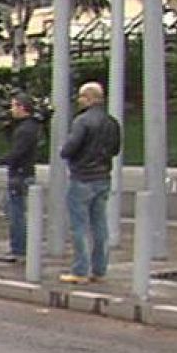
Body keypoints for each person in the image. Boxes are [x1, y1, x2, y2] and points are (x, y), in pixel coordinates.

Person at [58, 81, 122, 284]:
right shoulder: (112, 122)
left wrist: (67, 152)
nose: (79, 100)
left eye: (81, 97)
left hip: (82, 177)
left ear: (89, 98)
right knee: (100, 225)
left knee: (79, 226)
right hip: (103, 177)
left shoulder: (82, 121)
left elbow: (70, 147)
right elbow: (115, 149)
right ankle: (99, 270)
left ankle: (80, 270)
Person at [0, 94, 43, 263]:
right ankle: (20, 247)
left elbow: (16, 154)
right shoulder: (27, 127)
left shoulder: (26, 130)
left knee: (16, 214)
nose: (11, 110)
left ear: (22, 108)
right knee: (10, 209)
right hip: (21, 174)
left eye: (14, 106)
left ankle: (19, 250)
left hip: (20, 175)